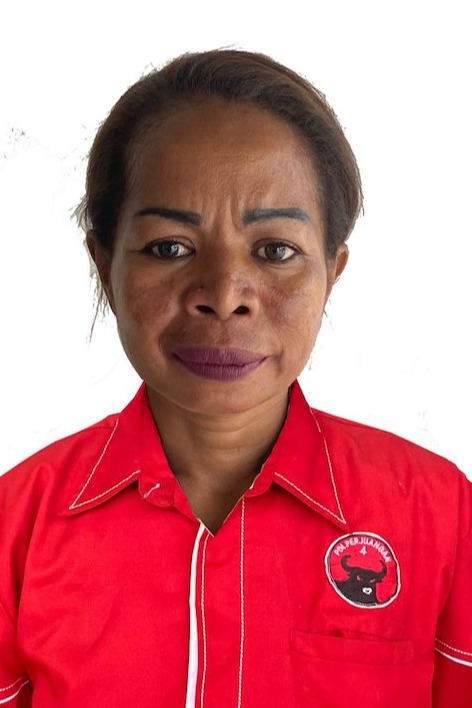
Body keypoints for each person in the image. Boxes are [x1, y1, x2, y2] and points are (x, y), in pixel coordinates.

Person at [0, 49, 470, 708]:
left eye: (276, 251)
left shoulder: (441, 516)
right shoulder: (15, 527)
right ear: (104, 264)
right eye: (170, 247)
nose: (224, 296)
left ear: (331, 272)